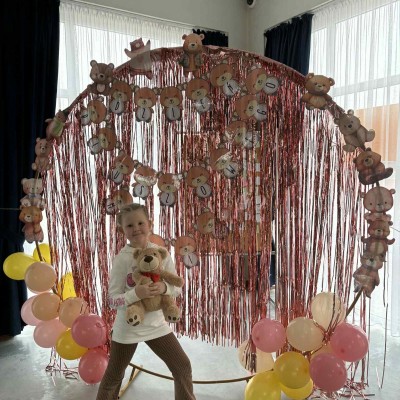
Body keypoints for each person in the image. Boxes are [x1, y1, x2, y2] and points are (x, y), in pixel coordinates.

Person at [96, 203, 196, 400]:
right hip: (127, 328)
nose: (136, 229)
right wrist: (136, 294)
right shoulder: (122, 260)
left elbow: (177, 287)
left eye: (140, 223)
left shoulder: (161, 253)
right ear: (122, 230)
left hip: (156, 326)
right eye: (129, 225)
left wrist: (164, 288)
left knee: (182, 366)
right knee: (114, 376)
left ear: (150, 224)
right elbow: (112, 301)